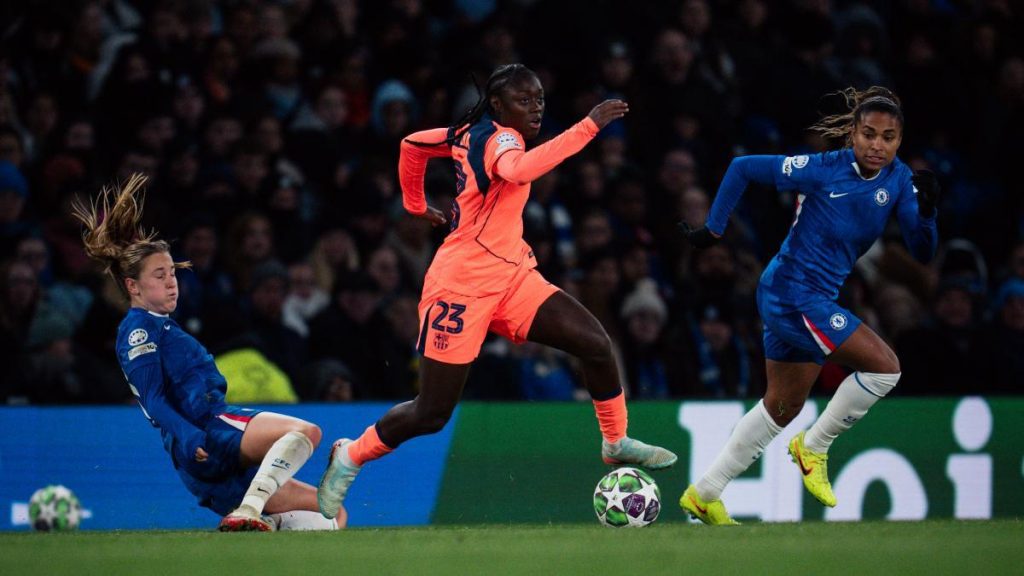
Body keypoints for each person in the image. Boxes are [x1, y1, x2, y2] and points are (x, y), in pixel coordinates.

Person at [316, 63, 677, 519]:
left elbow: (412, 145)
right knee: (432, 413)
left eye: (539, 99)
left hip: (511, 276)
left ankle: (615, 441)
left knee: (595, 344)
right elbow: (519, 169)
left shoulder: (465, 133)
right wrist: (588, 126)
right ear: (497, 105)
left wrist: (414, 204)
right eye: (524, 101)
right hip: (460, 287)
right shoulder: (503, 140)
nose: (536, 108)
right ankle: (350, 456)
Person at [677, 86, 939, 524]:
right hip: (791, 292)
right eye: (869, 134)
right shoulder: (822, 168)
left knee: (782, 406)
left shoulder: (899, 181)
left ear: (899, 141)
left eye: (888, 137)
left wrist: (928, 214)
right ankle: (814, 447)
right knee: (886, 368)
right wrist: (714, 229)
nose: (877, 145)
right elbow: (743, 168)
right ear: (852, 134)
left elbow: (922, 251)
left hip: (811, 298)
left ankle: (705, 493)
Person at [72, 174, 345, 532]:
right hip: (208, 428)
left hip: (203, 450)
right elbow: (153, 399)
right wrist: (187, 435)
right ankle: (251, 508)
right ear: (132, 286)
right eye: (159, 275)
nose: (171, 282)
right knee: (305, 432)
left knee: (334, 513)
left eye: (172, 273)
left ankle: (262, 524)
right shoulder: (139, 328)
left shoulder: (162, 326)